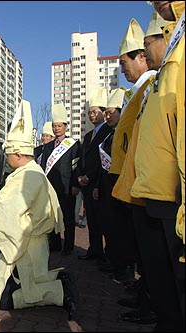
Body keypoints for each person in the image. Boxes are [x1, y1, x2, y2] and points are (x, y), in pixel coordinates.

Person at [0, 100, 77, 321]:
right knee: (19, 285)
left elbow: (6, 211)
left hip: (26, 245)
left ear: (16, 154)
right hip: (30, 243)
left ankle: (60, 292)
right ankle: (60, 280)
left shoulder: (26, 176)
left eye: (7, 155)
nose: (6, 159)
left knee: (6, 298)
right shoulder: (32, 171)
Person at [129, 3, 185, 331]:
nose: (146, 53)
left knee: (175, 283)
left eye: (148, 46)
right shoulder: (161, 73)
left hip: (171, 190)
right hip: (155, 188)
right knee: (163, 279)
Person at [111, 16, 159, 326]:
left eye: (124, 61)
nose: (122, 69)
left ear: (142, 56)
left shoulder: (150, 85)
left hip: (143, 183)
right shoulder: (137, 91)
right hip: (129, 182)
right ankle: (145, 295)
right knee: (142, 250)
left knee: (151, 253)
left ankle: (153, 303)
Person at [93, 87, 135, 281]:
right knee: (110, 227)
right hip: (106, 187)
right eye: (107, 113)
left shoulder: (127, 132)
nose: (107, 116)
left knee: (122, 230)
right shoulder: (110, 135)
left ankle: (124, 268)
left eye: (111, 113)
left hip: (120, 189)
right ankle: (114, 262)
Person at [76, 87, 112, 265]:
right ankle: (94, 249)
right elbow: (83, 159)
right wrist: (80, 176)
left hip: (99, 183)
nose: (91, 115)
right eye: (89, 113)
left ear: (104, 113)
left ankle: (108, 254)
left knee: (104, 220)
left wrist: (90, 178)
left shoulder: (108, 130)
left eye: (95, 112)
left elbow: (102, 160)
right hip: (86, 184)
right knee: (91, 219)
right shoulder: (88, 134)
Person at [40, 104, 80, 255]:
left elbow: (76, 166)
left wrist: (75, 184)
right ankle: (55, 244)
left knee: (68, 217)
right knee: (52, 217)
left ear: (65, 126)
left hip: (67, 186)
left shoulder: (73, 144)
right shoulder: (48, 146)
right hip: (50, 187)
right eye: (54, 126)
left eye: (59, 126)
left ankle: (68, 246)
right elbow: (44, 166)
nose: (57, 129)